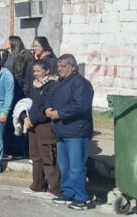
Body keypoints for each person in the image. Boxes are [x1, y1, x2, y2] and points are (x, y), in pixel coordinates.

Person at [44, 54, 94, 210]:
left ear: (73, 67)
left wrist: (59, 113)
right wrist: (47, 108)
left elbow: (81, 105)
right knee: (64, 165)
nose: (59, 69)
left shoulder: (81, 83)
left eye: (63, 66)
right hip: (61, 130)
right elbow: (49, 97)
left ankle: (81, 197)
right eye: (58, 66)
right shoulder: (59, 82)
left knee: (76, 166)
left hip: (77, 131)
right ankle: (68, 192)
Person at [21, 59, 61, 198]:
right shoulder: (34, 86)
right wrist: (25, 118)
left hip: (44, 126)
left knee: (48, 157)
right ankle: (37, 185)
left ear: (47, 71)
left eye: (39, 71)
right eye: (34, 71)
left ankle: (55, 188)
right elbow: (29, 104)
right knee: (35, 157)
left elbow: (47, 107)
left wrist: (34, 119)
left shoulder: (52, 86)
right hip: (32, 126)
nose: (36, 74)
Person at [2, 36, 32, 158]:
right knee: (8, 122)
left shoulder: (24, 57)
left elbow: (26, 78)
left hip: (18, 92)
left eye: (6, 40)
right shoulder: (5, 56)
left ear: (13, 43)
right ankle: (8, 149)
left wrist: (24, 92)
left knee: (17, 120)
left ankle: (19, 150)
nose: (4, 42)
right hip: (6, 93)